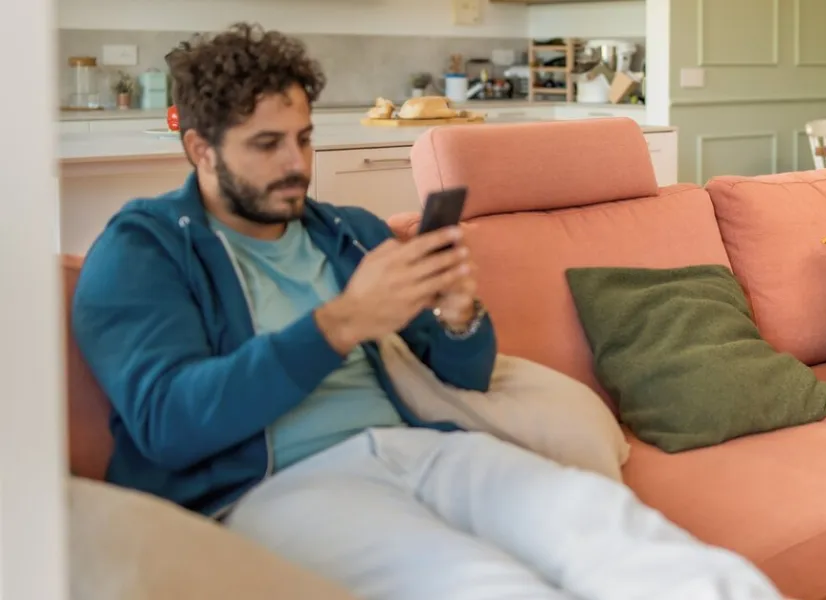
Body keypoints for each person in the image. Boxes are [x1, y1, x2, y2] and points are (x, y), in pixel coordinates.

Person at [71, 23, 783, 600]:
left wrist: (458, 315)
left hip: (423, 448)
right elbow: (168, 423)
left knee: (619, 532)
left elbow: (465, 376)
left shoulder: (345, 232)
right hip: (282, 488)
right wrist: (340, 324)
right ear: (200, 148)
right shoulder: (144, 250)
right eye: (267, 144)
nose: (296, 164)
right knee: (484, 584)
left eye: (304, 137)